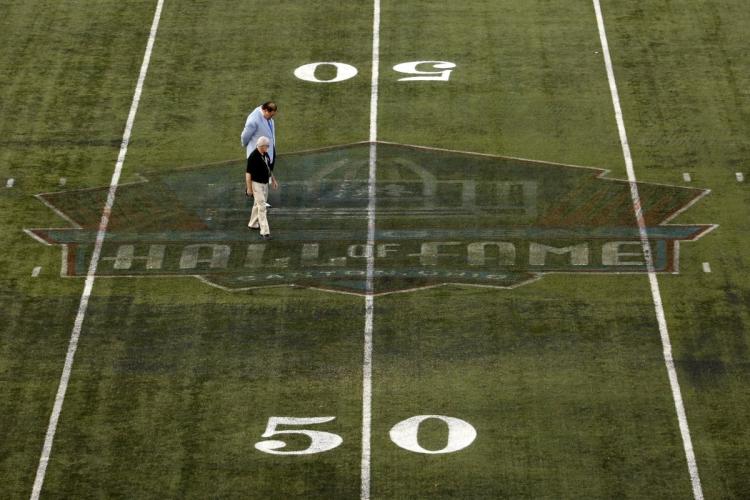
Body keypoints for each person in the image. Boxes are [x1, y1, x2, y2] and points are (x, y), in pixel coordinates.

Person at [246, 136, 278, 239]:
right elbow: (248, 174)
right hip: (256, 185)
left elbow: (268, 168)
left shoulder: (265, 154)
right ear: (262, 146)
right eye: (267, 146)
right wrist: (249, 188)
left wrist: (273, 180)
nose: (268, 147)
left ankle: (252, 223)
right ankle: (265, 232)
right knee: (262, 207)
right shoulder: (253, 157)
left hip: (264, 184)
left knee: (257, 204)